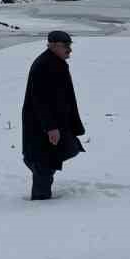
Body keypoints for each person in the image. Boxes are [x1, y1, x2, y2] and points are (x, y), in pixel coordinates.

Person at [20, 29, 85, 200]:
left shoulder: (55, 62)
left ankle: (38, 170)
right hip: (42, 125)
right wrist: (51, 127)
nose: (69, 50)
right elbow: (40, 100)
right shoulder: (44, 65)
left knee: (66, 149)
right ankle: (40, 205)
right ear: (54, 46)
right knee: (43, 162)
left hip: (55, 122)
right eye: (66, 46)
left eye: (70, 46)